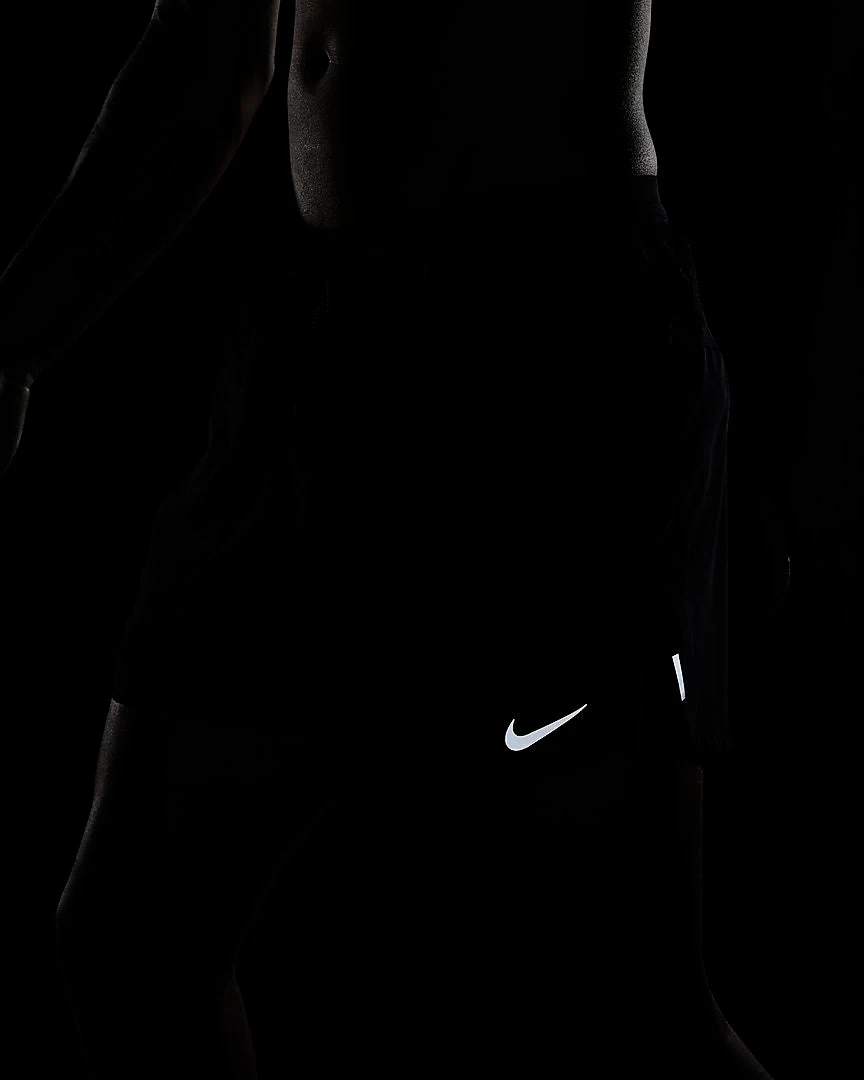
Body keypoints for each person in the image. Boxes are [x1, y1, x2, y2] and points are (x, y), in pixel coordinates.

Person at [0, 1, 777, 1076]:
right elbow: (209, 62)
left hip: (557, 337)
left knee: (632, 1000)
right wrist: (14, 343)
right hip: (331, 342)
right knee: (133, 938)